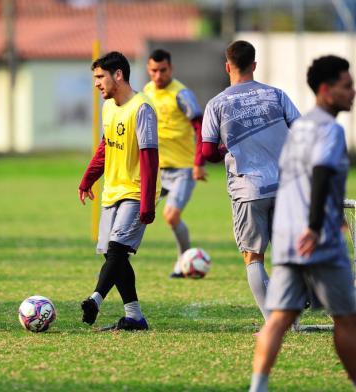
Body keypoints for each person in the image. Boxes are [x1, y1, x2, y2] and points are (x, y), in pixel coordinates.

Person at [249, 55, 356, 392]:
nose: (353, 91)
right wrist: (315, 226)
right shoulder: (330, 129)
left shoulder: (300, 128)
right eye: (347, 85)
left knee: (280, 317)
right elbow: (322, 173)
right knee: (346, 318)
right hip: (318, 238)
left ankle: (258, 386)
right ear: (326, 90)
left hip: (287, 236)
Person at [202, 40, 300, 323]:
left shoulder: (217, 103)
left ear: (227, 66)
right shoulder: (277, 95)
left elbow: (208, 152)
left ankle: (274, 325)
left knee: (253, 256)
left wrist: (226, 147)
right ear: (254, 65)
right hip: (285, 186)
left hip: (249, 189)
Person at [78, 51, 160, 331]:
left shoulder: (142, 108)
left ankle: (95, 299)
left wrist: (148, 202)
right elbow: (105, 146)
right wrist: (87, 179)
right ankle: (134, 317)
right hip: (112, 190)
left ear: (118, 75)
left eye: (100, 77)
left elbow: (149, 158)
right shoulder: (109, 107)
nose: (97, 83)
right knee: (114, 256)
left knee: (116, 251)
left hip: (137, 192)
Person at [143, 49, 207, 278]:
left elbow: (200, 128)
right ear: (148, 70)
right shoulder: (147, 92)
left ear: (171, 69)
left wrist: (199, 162)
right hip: (158, 170)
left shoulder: (181, 94)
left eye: (163, 70)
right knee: (137, 212)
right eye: (153, 71)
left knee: (171, 216)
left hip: (183, 169)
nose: (158, 76)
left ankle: (183, 261)